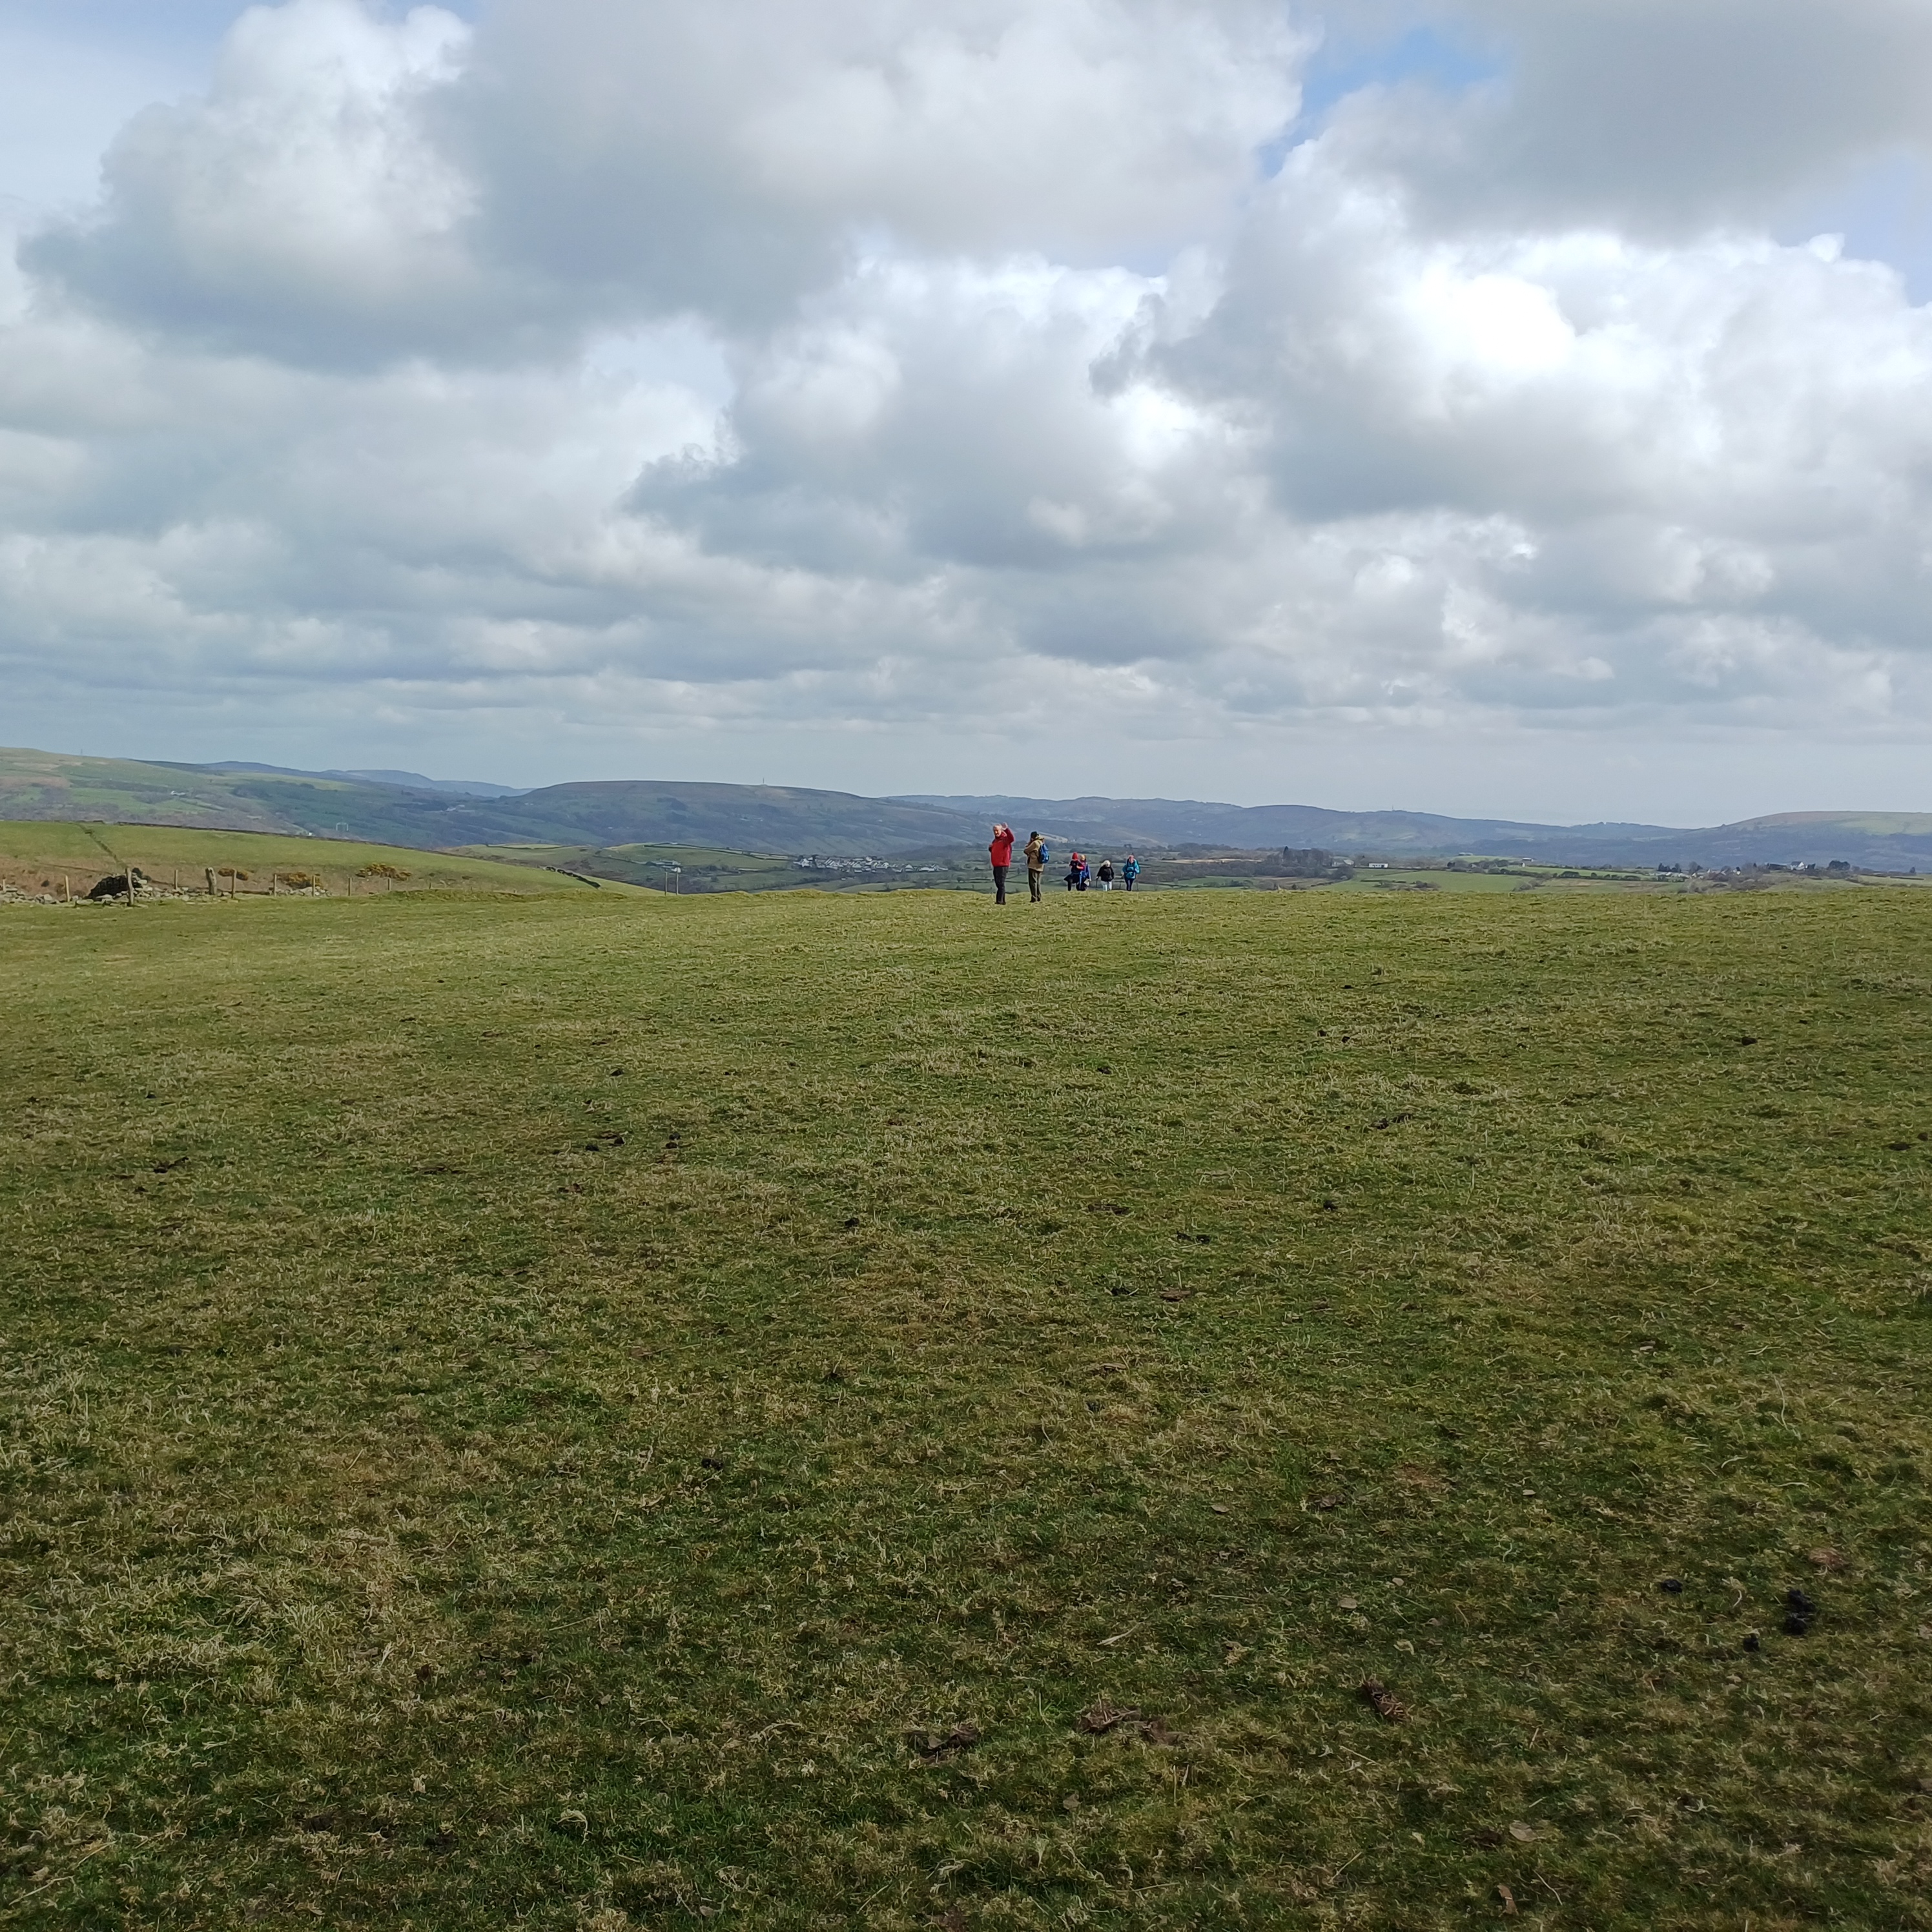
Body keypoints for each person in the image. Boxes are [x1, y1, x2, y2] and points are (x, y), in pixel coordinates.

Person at [989, 823, 1014, 904]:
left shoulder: (1005, 839)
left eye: (997, 831)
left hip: (1003, 865)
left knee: (1001, 883)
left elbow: (1012, 838)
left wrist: (1007, 829)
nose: (996, 832)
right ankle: (1001, 901)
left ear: (1001, 830)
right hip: (996, 865)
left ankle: (1000, 901)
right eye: (994, 831)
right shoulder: (995, 841)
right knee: (998, 883)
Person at [1023, 831, 1046, 903]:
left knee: (1033, 882)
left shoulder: (1035, 843)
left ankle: (1034, 898)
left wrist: (1029, 844)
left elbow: (1026, 850)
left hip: (1033, 865)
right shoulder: (1041, 842)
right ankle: (1039, 896)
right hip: (1040, 865)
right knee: (1038, 883)